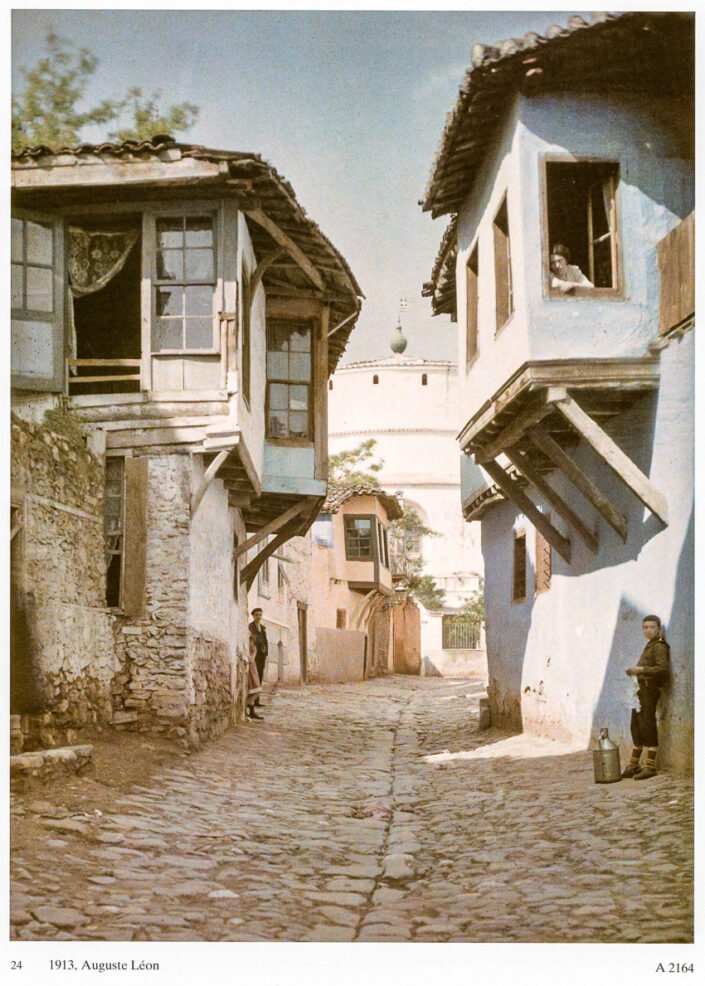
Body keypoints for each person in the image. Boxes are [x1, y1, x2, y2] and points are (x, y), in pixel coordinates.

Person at [621, 615, 670, 780]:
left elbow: (662, 669)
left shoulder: (660, 646)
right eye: (645, 627)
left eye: (651, 627)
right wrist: (634, 672)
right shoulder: (650, 645)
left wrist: (640, 670)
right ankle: (634, 764)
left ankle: (650, 766)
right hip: (640, 690)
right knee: (636, 725)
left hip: (650, 689)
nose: (648, 630)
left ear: (658, 629)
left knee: (647, 724)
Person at [248, 608, 268, 707]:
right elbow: (253, 641)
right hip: (255, 656)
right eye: (257, 615)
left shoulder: (263, 628)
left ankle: (257, 701)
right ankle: (252, 700)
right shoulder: (250, 627)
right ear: (253, 616)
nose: (259, 617)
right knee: (254, 678)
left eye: (260, 614)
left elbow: (265, 641)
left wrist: (265, 651)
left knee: (260, 676)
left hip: (261, 657)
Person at [246, 629, 263, 720]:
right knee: (256, 690)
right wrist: (254, 652)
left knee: (255, 690)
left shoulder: (251, 648)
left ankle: (251, 711)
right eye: (250, 641)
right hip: (250, 669)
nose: (251, 643)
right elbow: (251, 660)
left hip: (252, 668)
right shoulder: (250, 649)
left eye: (252, 641)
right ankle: (247, 705)